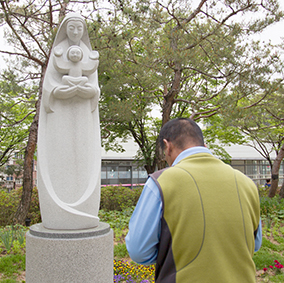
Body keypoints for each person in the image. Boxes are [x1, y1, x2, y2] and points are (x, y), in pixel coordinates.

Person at [126, 118, 262, 283]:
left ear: (167, 146)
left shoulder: (160, 182)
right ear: (204, 147)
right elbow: (255, 244)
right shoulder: (247, 183)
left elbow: (139, 252)